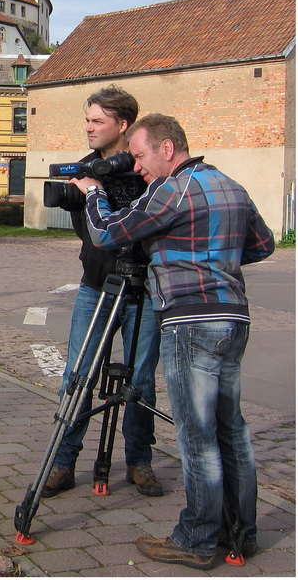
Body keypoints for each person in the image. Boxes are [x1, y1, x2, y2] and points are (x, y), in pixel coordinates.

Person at [72, 113, 275, 570]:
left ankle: (196, 539)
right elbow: (264, 245)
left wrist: (94, 193)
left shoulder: (174, 189)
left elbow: (106, 233)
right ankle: (240, 533)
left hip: (189, 321)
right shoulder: (231, 186)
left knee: (198, 436)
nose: (138, 168)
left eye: (141, 156)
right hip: (232, 319)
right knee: (233, 433)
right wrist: (212, 256)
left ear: (168, 148)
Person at [43, 86, 163, 499]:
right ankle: (62, 463)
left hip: (143, 291)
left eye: (98, 121)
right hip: (96, 289)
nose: (89, 128)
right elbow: (93, 234)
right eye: (88, 120)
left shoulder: (148, 169)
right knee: (77, 377)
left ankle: (139, 462)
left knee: (141, 380)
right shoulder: (84, 172)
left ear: (122, 125)